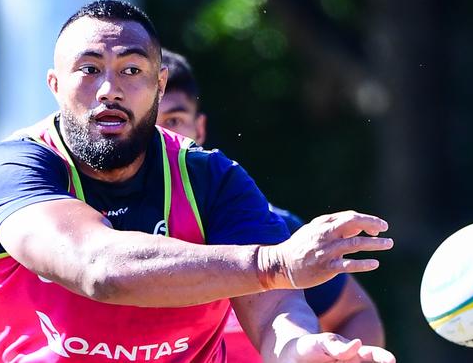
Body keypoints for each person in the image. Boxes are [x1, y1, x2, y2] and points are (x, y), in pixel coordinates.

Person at [0, 1, 395, 363]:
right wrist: (273, 265)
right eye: (89, 69)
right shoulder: (12, 169)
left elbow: (275, 315)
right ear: (55, 85)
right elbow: (100, 269)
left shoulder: (213, 178)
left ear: (159, 83)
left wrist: (300, 350)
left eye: (132, 70)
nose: (109, 88)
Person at [156, 49, 386, 362]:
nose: (164, 136)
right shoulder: (93, 230)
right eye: (151, 124)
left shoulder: (269, 228)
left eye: (174, 119)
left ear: (200, 129)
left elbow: (356, 313)